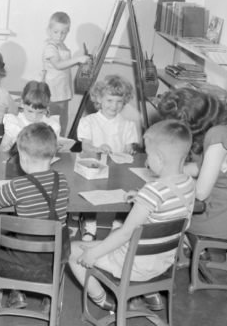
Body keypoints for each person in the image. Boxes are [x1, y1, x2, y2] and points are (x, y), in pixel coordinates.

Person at [69, 120, 196, 312]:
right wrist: (141, 196)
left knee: (72, 250)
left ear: (159, 158)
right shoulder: (188, 183)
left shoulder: (153, 191)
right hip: (162, 263)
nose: (146, 160)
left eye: (148, 154)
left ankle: (104, 301)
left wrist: (92, 254)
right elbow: (169, 207)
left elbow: (125, 234)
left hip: (134, 265)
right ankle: (147, 293)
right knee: (117, 231)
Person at [0, 123, 70, 312]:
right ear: (53, 155)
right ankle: (50, 298)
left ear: (23, 158)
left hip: (19, 266)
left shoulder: (17, 186)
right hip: (53, 264)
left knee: (4, 239)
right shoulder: (62, 179)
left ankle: (17, 292)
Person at [158, 88, 227, 241]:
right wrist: (167, 169)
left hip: (215, 217)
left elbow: (200, 192)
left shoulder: (217, 135)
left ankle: (179, 248)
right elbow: (203, 168)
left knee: (158, 216)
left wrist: (170, 180)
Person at [77, 74, 139, 241]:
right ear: (99, 98)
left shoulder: (128, 125)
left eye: (119, 101)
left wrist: (129, 150)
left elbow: (129, 147)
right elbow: (86, 146)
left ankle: (118, 226)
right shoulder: (88, 121)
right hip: (95, 168)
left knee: (124, 195)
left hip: (119, 170)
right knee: (92, 195)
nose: (114, 105)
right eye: (109, 100)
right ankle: (90, 226)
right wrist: (96, 148)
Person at [42, 12, 88, 136]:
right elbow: (58, 65)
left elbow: (65, 65)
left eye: (63, 33)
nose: (59, 36)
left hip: (62, 90)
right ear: (49, 30)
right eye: (56, 32)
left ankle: (61, 142)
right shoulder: (50, 47)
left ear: (68, 31)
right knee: (53, 123)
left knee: (62, 121)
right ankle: (54, 142)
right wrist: (78, 59)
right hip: (54, 92)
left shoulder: (61, 45)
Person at [0, 80, 60, 152]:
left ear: (46, 108)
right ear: (22, 103)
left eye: (40, 112)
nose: (34, 117)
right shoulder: (15, 123)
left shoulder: (51, 125)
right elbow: (2, 146)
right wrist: (5, 150)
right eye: (30, 111)